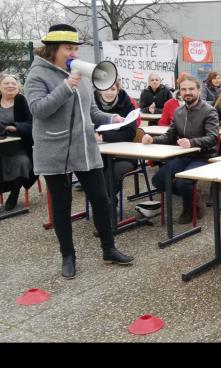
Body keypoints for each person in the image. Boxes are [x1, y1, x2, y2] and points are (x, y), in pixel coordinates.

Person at [24, 24, 134, 279]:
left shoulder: (81, 75)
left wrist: (112, 118)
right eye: (68, 48)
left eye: (75, 47)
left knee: (101, 198)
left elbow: (91, 112)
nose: (73, 52)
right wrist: (66, 86)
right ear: (53, 49)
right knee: (61, 206)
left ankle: (109, 249)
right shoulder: (37, 75)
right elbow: (38, 110)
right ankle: (68, 256)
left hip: (84, 148)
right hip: (55, 148)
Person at [142, 75, 219, 224]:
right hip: (183, 156)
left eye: (191, 89)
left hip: (203, 157)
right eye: (184, 89)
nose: (187, 92)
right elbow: (170, 136)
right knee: (158, 180)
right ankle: (194, 196)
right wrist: (153, 139)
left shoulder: (209, 111)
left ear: (198, 90)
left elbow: (213, 138)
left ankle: (190, 207)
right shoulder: (178, 112)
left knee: (183, 182)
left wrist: (192, 142)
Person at [93, 79, 139, 206]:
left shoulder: (127, 104)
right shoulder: (93, 105)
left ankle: (109, 206)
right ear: (99, 90)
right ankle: (105, 204)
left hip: (124, 155)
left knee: (109, 177)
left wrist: (103, 136)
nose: (109, 93)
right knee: (94, 175)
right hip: (100, 153)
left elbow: (129, 133)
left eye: (113, 89)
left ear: (118, 90)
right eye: (105, 89)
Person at [0, 74, 38, 211]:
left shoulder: (22, 101)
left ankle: (14, 194)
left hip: (21, 146)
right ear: (0, 87)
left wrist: (16, 127)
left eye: (13, 83)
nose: (10, 85)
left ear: (18, 87)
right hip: (1, 147)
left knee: (23, 162)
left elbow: (33, 124)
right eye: (6, 83)